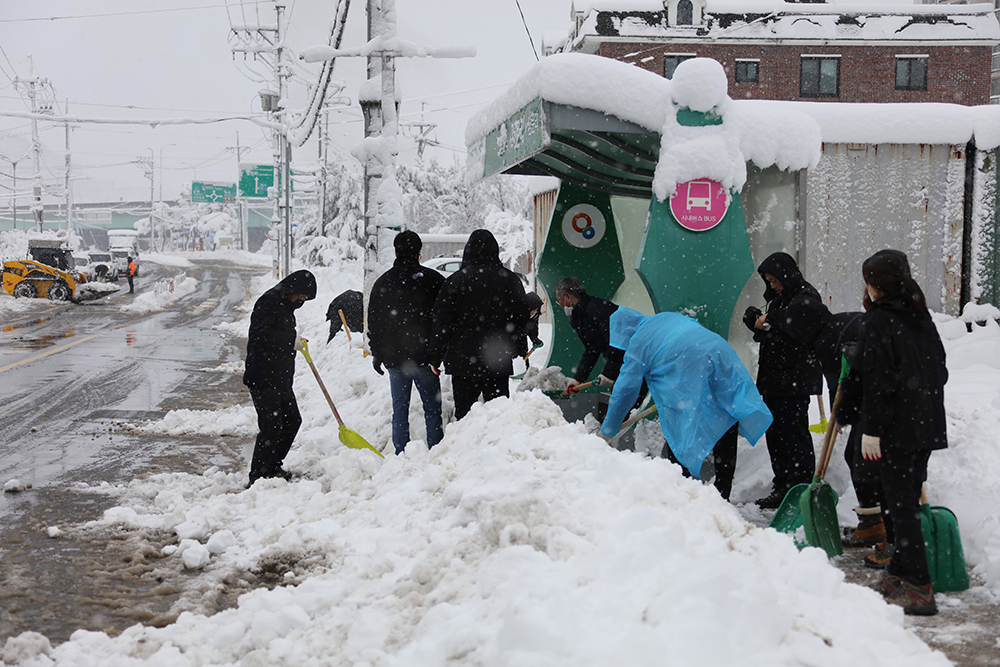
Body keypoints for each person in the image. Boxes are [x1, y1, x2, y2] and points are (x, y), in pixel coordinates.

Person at [840, 250, 948, 615]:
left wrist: (872, 429)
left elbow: (881, 382)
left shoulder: (879, 321)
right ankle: (900, 572)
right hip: (927, 424)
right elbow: (941, 372)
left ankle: (918, 588)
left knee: (900, 508)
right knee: (902, 502)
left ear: (874, 284)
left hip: (897, 429)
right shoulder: (919, 316)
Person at [599, 308, 772, 500]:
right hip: (720, 352)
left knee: (681, 428)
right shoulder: (665, 318)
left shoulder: (638, 341)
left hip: (693, 367)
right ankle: (723, 494)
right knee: (726, 417)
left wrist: (607, 430)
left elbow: (625, 390)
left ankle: (682, 493)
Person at [743, 252, 827, 509]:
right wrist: (756, 324)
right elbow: (775, 335)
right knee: (776, 435)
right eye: (768, 281)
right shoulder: (781, 301)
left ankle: (800, 487)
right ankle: (783, 485)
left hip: (794, 381)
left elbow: (800, 323)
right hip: (775, 380)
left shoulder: (806, 297)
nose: (772, 286)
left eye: (774, 280)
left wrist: (771, 320)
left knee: (794, 434)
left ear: (785, 275)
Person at [431, 229, 529, 420]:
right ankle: (498, 447)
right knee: (498, 414)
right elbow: (521, 318)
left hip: (463, 361)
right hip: (497, 358)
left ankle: (465, 448)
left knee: (465, 415)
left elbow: (442, 321)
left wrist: (435, 356)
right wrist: (519, 347)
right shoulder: (510, 280)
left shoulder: (455, 281)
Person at [368, 231, 445, 454]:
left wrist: (377, 353)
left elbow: (374, 323)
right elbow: (443, 319)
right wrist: (439, 352)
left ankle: (400, 456)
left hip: (395, 359)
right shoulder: (433, 281)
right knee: (432, 409)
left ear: (395, 251)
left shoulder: (383, 283)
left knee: (399, 410)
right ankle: (436, 454)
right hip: (425, 358)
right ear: (419, 252)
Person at [243, 269, 317, 487]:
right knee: (271, 425)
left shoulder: (285, 304)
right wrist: (289, 341)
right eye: (302, 296)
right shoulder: (268, 302)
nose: (302, 300)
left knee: (292, 420)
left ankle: (272, 465)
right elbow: (260, 335)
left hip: (280, 378)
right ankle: (257, 476)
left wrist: (293, 340)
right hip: (263, 376)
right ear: (292, 289)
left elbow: (279, 333)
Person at [554, 277, 625, 392]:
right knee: (619, 400)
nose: (560, 304)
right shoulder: (578, 319)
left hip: (636, 360)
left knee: (622, 400)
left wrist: (609, 373)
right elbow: (592, 349)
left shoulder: (598, 309)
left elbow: (617, 342)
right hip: (623, 366)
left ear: (567, 296)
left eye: (559, 299)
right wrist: (578, 379)